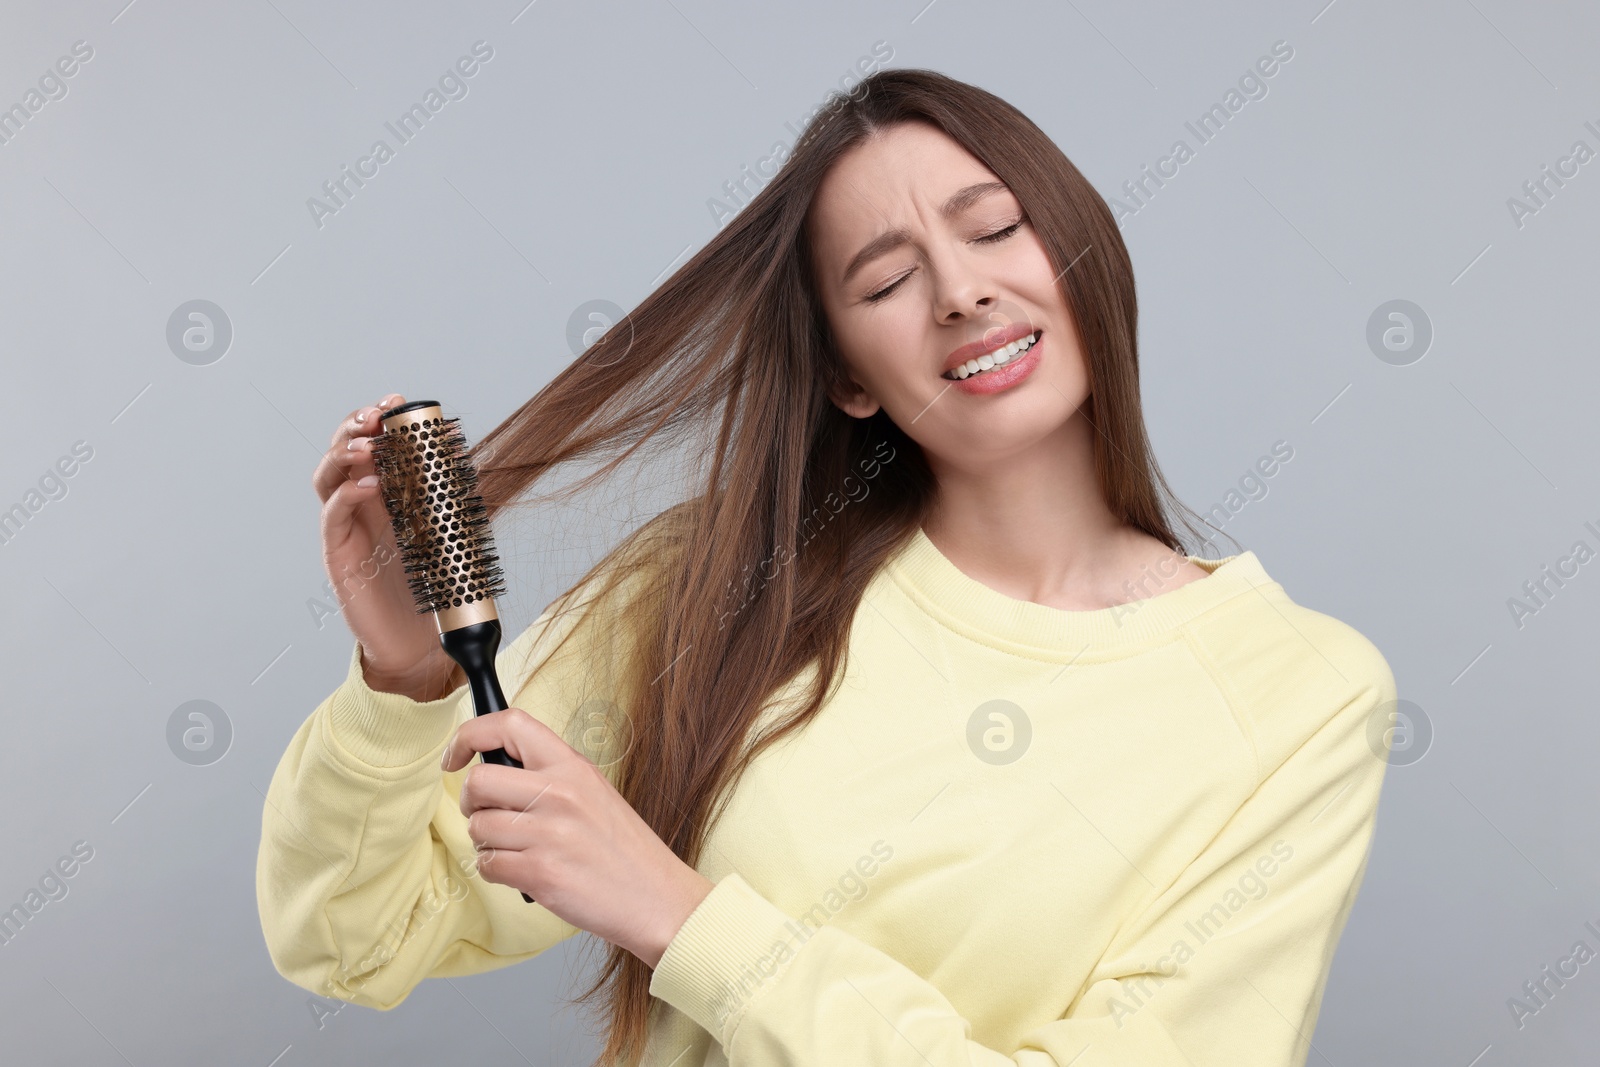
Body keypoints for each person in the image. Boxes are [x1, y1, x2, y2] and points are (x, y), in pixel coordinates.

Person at [257, 68, 1398, 1067]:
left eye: (994, 228)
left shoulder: (1300, 694)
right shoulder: (707, 590)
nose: (960, 292)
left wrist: (683, 917)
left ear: (1083, 250)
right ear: (847, 375)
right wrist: (401, 690)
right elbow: (353, 940)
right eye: (886, 280)